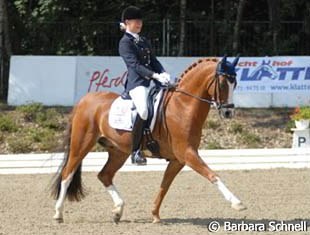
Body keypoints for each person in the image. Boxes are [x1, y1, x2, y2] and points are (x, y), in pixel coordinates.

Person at [119, 6, 170, 165]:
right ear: (127, 22)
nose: (139, 23)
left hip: (152, 82)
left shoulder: (143, 40)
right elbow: (134, 65)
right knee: (143, 110)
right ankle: (135, 151)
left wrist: (162, 72)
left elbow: (153, 61)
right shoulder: (125, 43)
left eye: (140, 21)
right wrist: (154, 75)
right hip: (137, 84)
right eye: (136, 21)